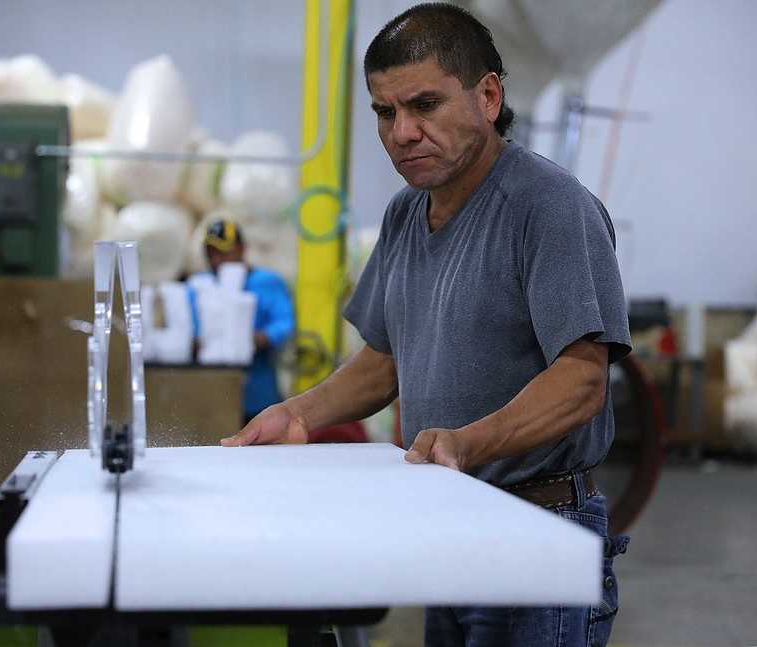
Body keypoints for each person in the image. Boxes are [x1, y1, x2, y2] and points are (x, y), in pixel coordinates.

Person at [220, 3, 632, 646]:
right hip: (451, 521)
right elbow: (384, 361)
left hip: (539, 533)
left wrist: (467, 443)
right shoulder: (406, 214)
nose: (402, 132)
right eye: (386, 112)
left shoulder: (549, 207)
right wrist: (297, 413)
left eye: (425, 106)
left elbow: (582, 383)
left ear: (488, 95)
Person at [191, 219, 294, 424]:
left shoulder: (266, 282)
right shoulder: (200, 285)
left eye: (224, 252)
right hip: (211, 390)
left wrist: (261, 338)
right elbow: (191, 324)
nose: (217, 260)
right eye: (211, 254)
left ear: (242, 249)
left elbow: (285, 322)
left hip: (257, 389)